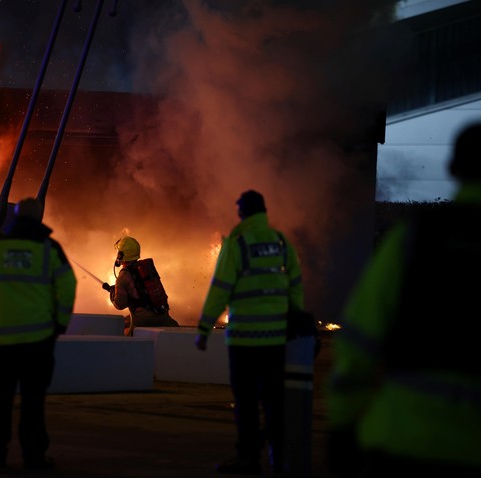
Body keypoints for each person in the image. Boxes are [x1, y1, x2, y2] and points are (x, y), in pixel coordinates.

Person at [325, 122, 481, 477]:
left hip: (405, 441)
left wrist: (343, 425)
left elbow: (359, 340)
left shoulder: (416, 239)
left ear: (454, 168)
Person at [195, 190, 304, 475]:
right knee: (273, 399)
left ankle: (248, 458)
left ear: (242, 213)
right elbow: (295, 285)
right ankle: (278, 458)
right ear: (263, 212)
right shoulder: (281, 243)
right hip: (276, 338)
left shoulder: (237, 244)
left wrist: (204, 328)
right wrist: (296, 321)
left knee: (245, 400)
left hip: (244, 339)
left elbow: (220, 289)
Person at [0, 197, 77, 471]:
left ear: (13, 218)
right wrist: (60, 323)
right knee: (33, 404)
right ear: (39, 219)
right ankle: (34, 457)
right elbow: (69, 285)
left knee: (0, 403)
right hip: (37, 342)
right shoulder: (50, 249)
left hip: (0, 342)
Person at [103, 235, 179, 335]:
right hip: (163, 316)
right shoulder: (146, 268)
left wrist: (112, 292)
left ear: (121, 255)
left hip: (143, 321)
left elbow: (120, 304)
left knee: (123, 334)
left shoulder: (124, 275)